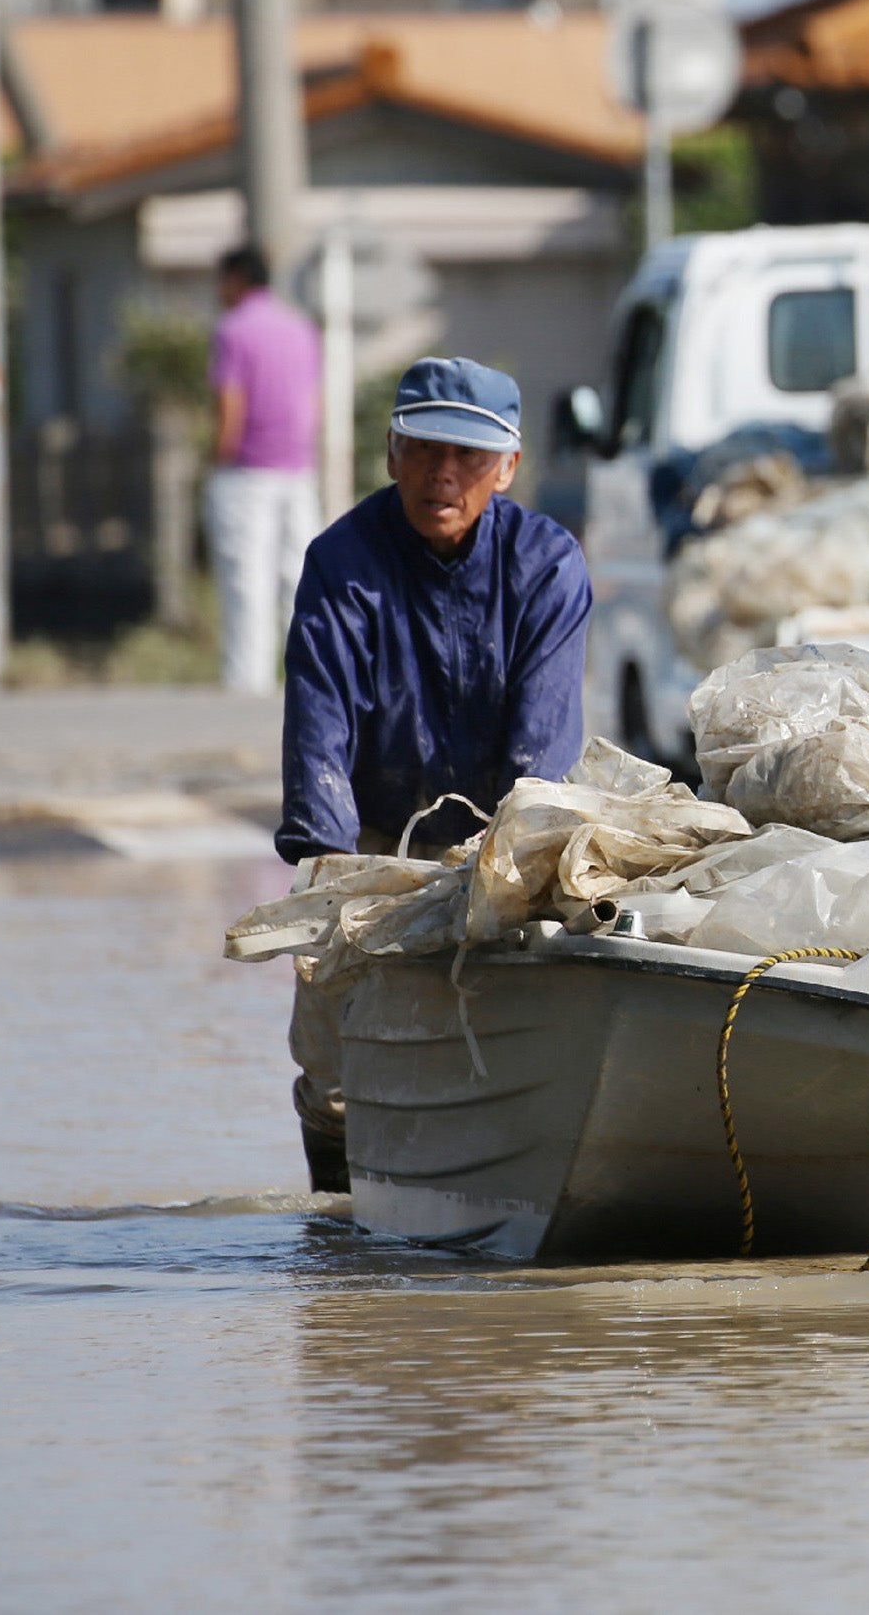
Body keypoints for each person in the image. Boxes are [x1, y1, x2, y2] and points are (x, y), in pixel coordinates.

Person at [275, 357, 592, 1190]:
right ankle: (340, 1228)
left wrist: (508, 856)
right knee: (334, 1066)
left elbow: (543, 746)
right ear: (390, 453)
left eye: (468, 457)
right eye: (422, 450)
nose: (442, 474)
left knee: (517, 1025)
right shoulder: (340, 563)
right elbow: (319, 734)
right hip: (373, 837)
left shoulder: (547, 564)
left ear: (508, 468)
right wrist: (333, 872)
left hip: (509, 835)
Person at [206, 243, 321, 694]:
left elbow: (230, 402)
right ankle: (309, 679)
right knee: (300, 579)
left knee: (246, 581)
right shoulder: (301, 327)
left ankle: (247, 684)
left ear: (236, 279)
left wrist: (220, 457)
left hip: (248, 469)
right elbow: (314, 403)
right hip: (299, 468)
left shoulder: (232, 330)